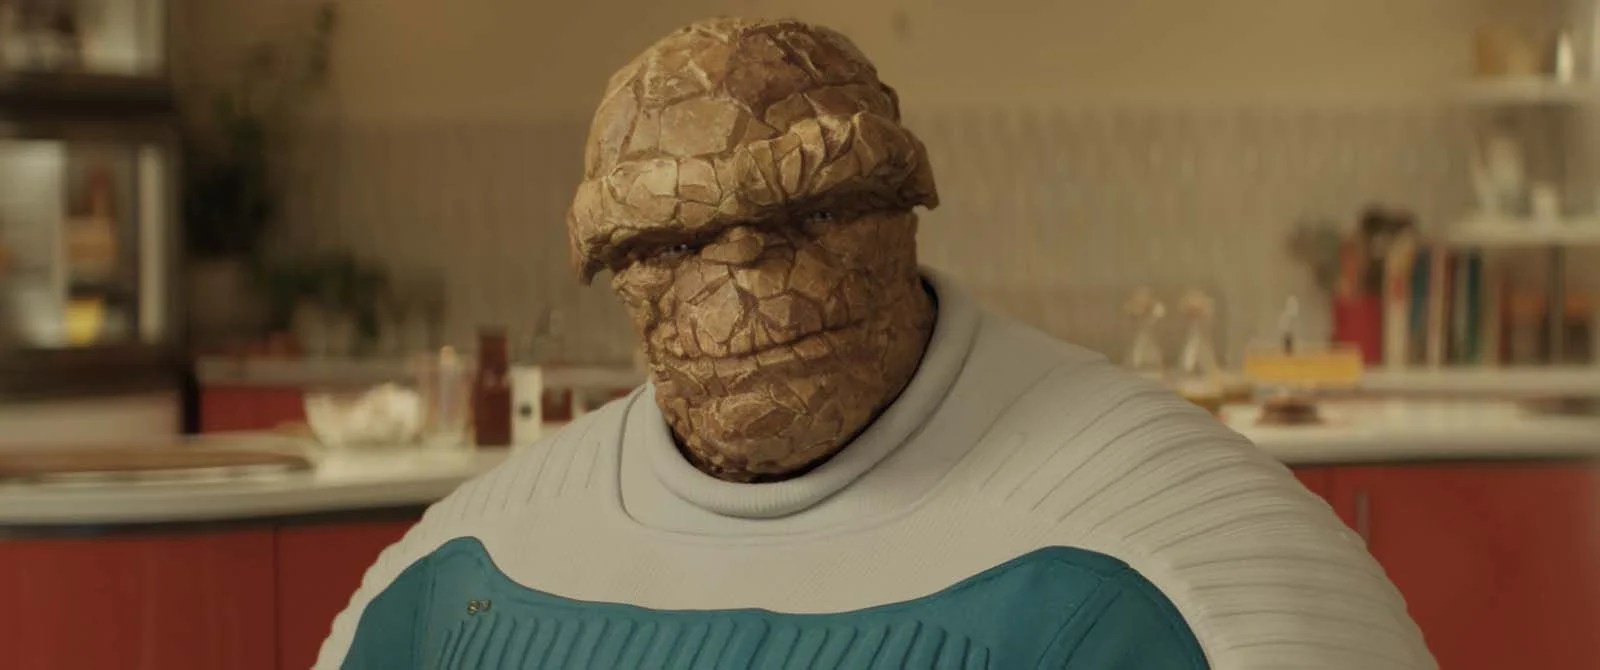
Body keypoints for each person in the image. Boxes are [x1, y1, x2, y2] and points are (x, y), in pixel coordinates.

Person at [319, 17, 1433, 669]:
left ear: (898, 212)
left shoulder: (1193, 556)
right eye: (674, 244)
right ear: (620, 270)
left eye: (807, 215)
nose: (744, 277)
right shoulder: (458, 572)